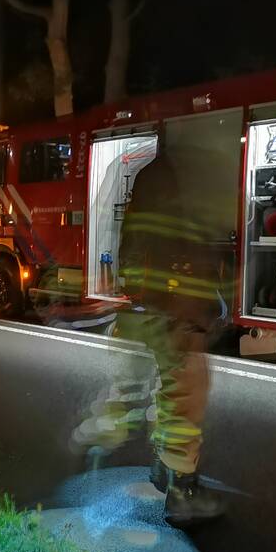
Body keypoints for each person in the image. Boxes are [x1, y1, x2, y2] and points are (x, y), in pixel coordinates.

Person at [71, 137, 230, 528]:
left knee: (161, 389)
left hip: (146, 302)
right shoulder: (190, 185)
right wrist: (201, 307)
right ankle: (182, 494)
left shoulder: (151, 176)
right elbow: (191, 251)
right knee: (186, 392)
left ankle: (155, 464)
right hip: (176, 307)